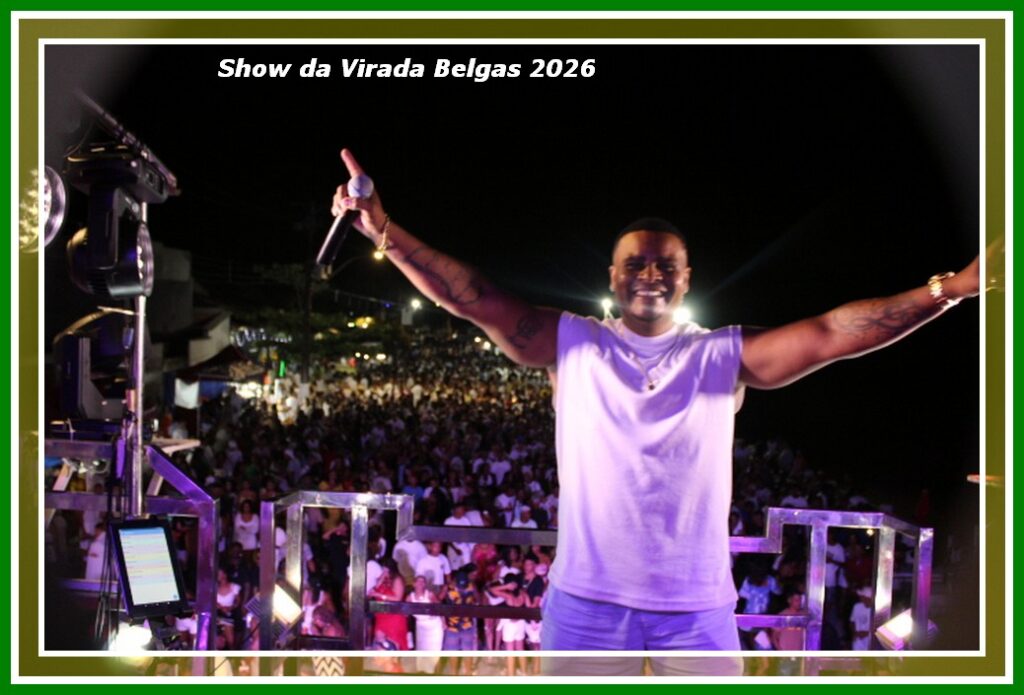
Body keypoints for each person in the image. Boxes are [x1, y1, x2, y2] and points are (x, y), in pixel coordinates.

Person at [331, 149, 982, 676]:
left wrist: (952, 289)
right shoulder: (572, 342)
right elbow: (471, 295)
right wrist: (385, 231)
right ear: (612, 277)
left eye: (665, 264)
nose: (650, 273)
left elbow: (832, 332)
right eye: (635, 263)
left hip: (697, 611)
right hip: (585, 605)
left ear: (687, 277)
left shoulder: (722, 354)